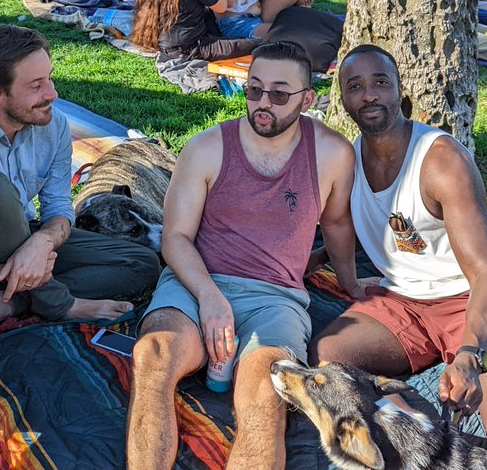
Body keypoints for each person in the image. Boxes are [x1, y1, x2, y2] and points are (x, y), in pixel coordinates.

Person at [309, 44, 487, 469]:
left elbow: (486, 273)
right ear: (343, 99)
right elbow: (341, 227)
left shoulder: (441, 161)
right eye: (355, 86)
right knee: (326, 357)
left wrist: (468, 355)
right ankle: (417, 413)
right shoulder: (349, 159)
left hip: (467, 304)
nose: (369, 95)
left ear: (400, 91)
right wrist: (323, 272)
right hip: (402, 302)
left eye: (380, 83)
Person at [127, 41, 356, 469]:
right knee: (152, 358)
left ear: (308, 99)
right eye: (254, 90)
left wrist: (352, 283)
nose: (262, 103)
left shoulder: (332, 154)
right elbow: (175, 237)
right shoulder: (206, 147)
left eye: (279, 94)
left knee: (266, 397)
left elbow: (338, 225)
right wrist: (210, 297)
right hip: (196, 283)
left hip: (275, 299)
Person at [0, 25, 161, 342]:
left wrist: (42, 243)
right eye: (37, 85)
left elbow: (59, 208)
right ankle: (60, 303)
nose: (52, 93)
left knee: (142, 263)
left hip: (24, 237)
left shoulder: (54, 125)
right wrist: (8, 271)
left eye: (49, 78)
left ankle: (12, 300)